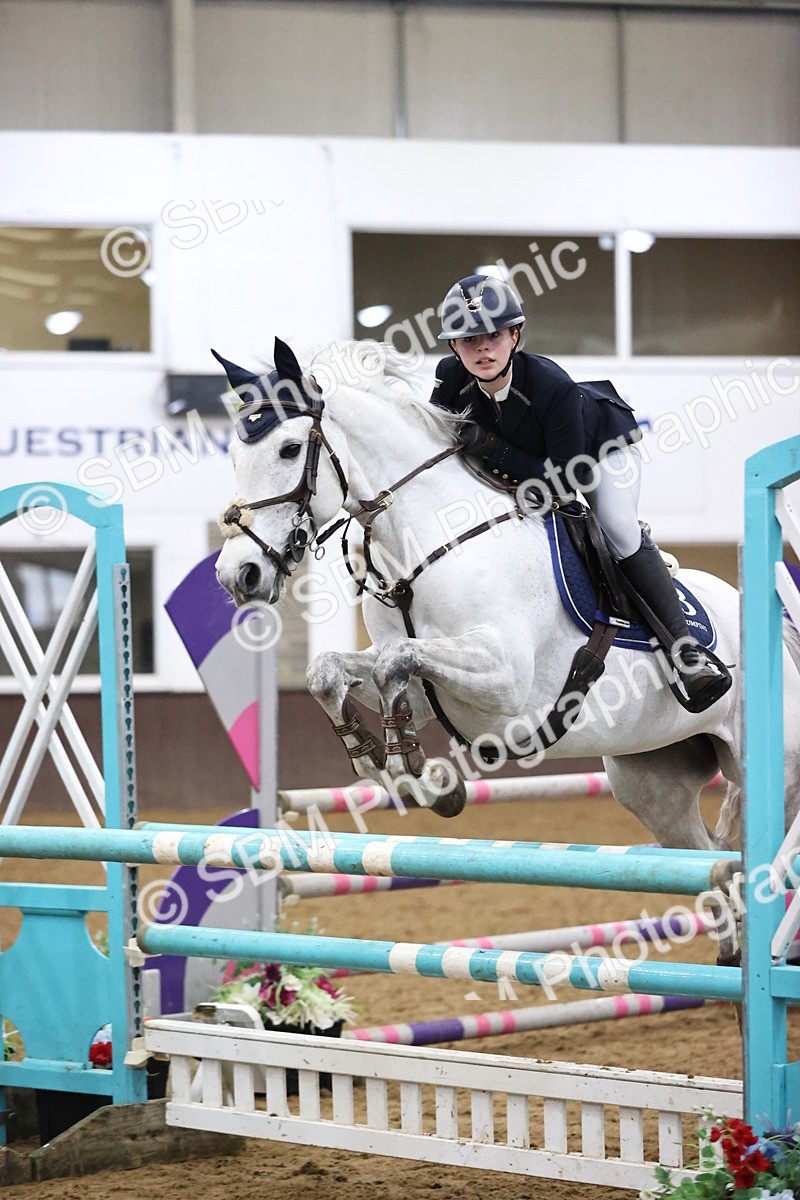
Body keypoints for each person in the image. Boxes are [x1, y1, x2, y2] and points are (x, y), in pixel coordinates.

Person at [430, 273, 732, 713]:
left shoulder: (553, 385)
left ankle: (687, 653)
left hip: (599, 453)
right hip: (531, 465)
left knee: (617, 529)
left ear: (515, 335)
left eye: (493, 335)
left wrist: (493, 447)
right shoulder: (449, 378)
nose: (481, 348)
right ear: (454, 347)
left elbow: (563, 480)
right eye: (467, 339)